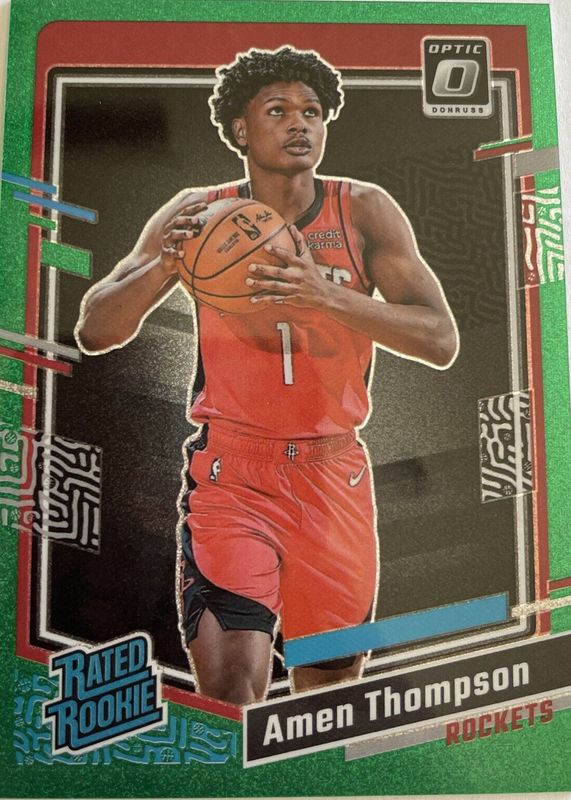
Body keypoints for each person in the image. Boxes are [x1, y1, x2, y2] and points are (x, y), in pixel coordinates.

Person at [75, 46, 458, 706]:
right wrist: (167, 265)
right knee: (230, 693)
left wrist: (326, 295)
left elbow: (441, 340)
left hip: (332, 479)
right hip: (233, 477)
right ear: (240, 128)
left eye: (312, 111)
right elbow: (94, 330)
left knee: (324, 701)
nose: (299, 123)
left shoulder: (363, 210)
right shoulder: (196, 212)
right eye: (277, 110)